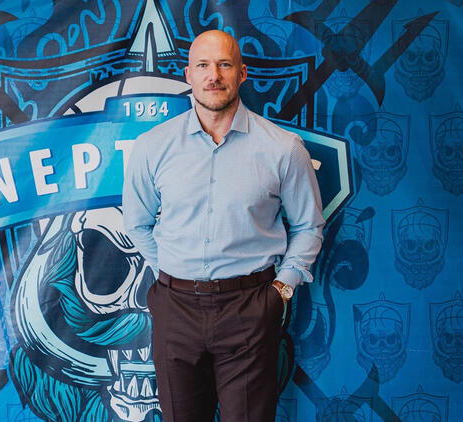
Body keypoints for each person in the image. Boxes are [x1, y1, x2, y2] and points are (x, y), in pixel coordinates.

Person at [122, 30, 324, 422]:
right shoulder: (152, 147)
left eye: (224, 64)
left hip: (251, 308)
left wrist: (281, 291)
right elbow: (138, 223)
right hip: (175, 310)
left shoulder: (283, 149)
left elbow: (309, 227)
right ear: (188, 75)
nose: (213, 75)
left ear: (242, 73)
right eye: (203, 65)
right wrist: (172, 271)